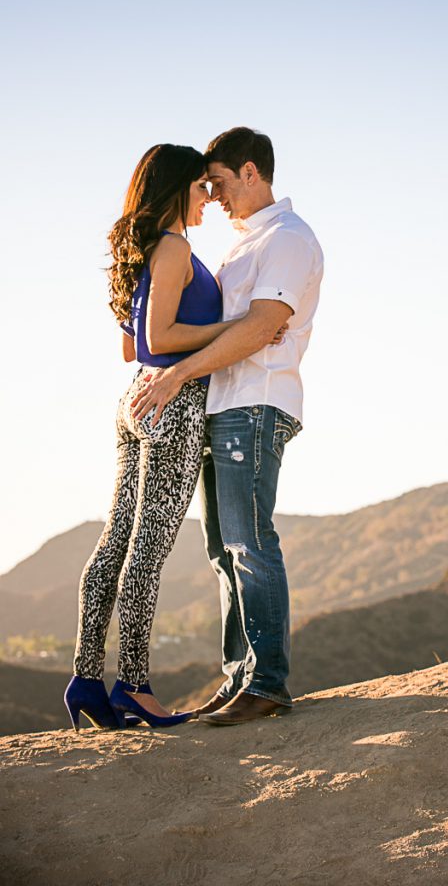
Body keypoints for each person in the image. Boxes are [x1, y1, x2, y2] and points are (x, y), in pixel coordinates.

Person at [65, 143, 285, 731]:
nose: (208, 199)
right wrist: (239, 325)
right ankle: (134, 685)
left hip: (137, 398)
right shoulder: (173, 247)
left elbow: (131, 347)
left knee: (116, 539)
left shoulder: (138, 253)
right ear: (175, 189)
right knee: (147, 549)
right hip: (174, 405)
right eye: (199, 188)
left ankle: (87, 677)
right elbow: (159, 336)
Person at [132, 127, 324, 726]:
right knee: (222, 549)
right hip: (222, 405)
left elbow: (261, 326)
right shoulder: (242, 244)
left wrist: (176, 372)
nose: (211, 196)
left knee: (249, 542)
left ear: (250, 172)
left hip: (257, 404)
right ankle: (239, 678)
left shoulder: (289, 239)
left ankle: (267, 683)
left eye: (217, 182)